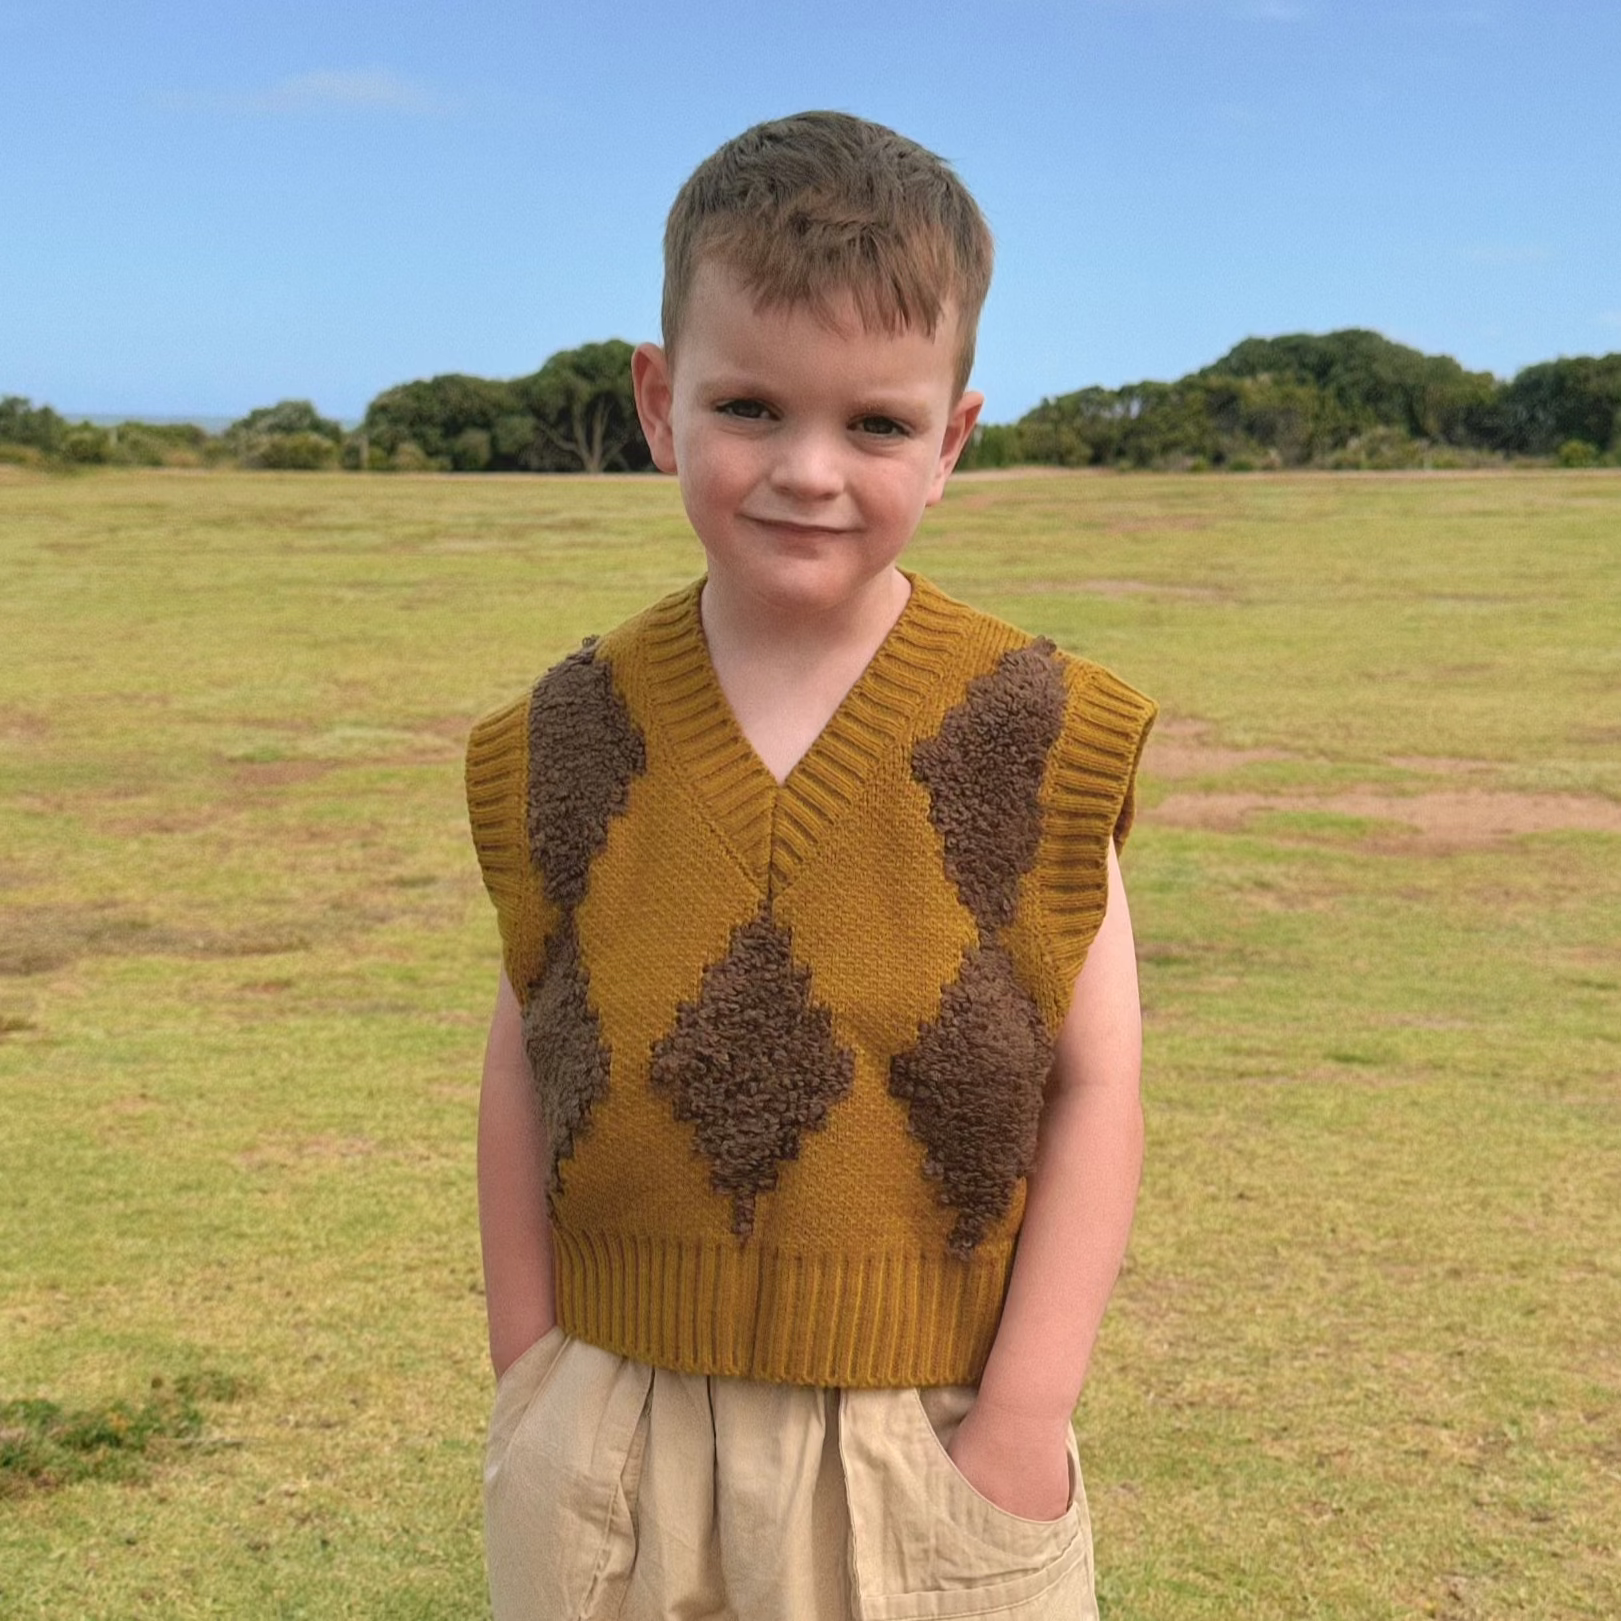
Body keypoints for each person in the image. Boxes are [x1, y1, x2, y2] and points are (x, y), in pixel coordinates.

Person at [466, 109, 1156, 1621]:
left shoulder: (1031, 733)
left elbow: (1096, 1079)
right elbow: (531, 1042)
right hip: (612, 1423)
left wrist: (1026, 1420)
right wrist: (533, 1371)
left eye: (878, 426)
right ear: (660, 402)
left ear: (956, 436)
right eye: (753, 408)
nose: (810, 471)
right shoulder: (563, 735)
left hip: (929, 1434)